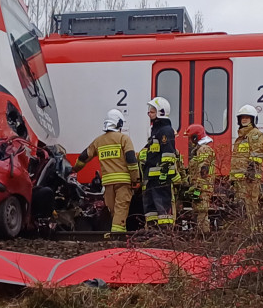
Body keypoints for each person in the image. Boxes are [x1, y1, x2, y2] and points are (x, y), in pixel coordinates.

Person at [72, 109, 140, 234]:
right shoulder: (124, 139)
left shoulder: (98, 141)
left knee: (113, 210)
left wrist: (74, 169)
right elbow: (131, 160)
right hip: (123, 182)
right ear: (119, 123)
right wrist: (136, 179)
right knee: (121, 209)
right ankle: (117, 236)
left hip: (108, 183)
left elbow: (83, 157)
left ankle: (115, 234)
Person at [140, 97, 181, 227]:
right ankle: (152, 232)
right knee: (151, 209)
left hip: (161, 178)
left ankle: (165, 232)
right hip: (152, 178)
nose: (149, 114)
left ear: (160, 112)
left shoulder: (165, 130)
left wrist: (165, 173)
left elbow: (168, 154)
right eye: (149, 111)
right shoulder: (155, 131)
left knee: (163, 208)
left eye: (152, 111)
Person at [229, 104, 263, 231]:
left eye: (247, 118)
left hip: (249, 179)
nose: (244, 120)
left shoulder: (255, 134)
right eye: (242, 118)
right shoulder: (240, 138)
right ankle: (245, 231)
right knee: (242, 207)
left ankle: (253, 232)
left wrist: (251, 172)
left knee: (251, 206)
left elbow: (257, 154)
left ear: (253, 119)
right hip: (240, 180)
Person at [185, 124, 216, 235]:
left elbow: (204, 170)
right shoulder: (200, 149)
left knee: (201, 212)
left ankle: (204, 236)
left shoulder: (203, 149)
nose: (188, 141)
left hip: (202, 188)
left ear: (195, 137)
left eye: (190, 138)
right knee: (197, 210)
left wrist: (197, 188)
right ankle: (199, 235)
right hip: (199, 187)